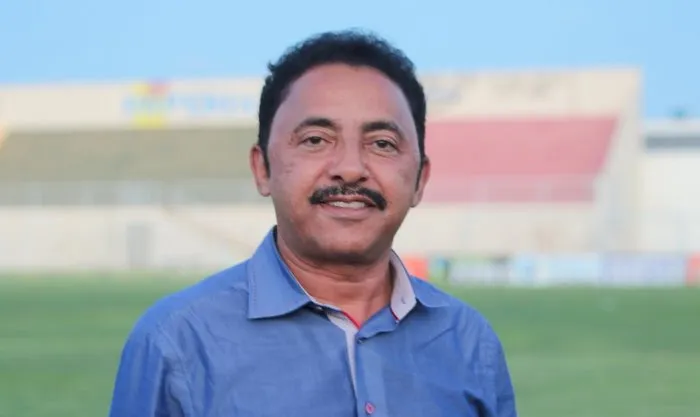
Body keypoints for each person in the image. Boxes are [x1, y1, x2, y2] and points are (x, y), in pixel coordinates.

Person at [108, 29, 517, 417]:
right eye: (316, 140)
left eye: (382, 144)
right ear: (262, 168)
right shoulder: (177, 341)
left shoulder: (468, 341)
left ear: (420, 180)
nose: (351, 169)